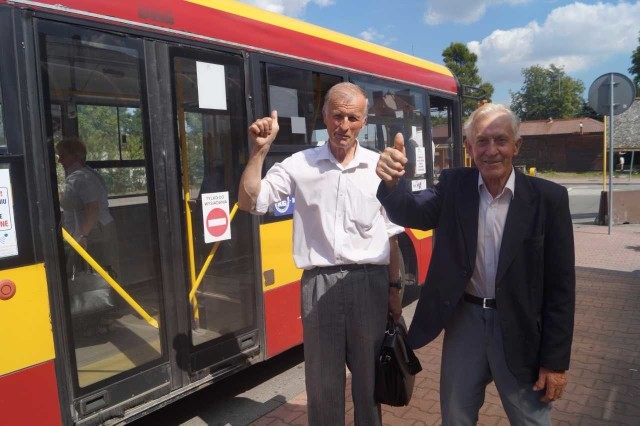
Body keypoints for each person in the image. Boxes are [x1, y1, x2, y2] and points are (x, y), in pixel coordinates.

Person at [375, 103, 575, 425]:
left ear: (516, 145)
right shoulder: (455, 186)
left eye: (501, 140)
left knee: (532, 420)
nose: (491, 150)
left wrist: (555, 362)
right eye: (482, 141)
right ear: (469, 147)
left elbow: (561, 289)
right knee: (455, 416)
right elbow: (413, 211)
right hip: (465, 320)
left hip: (521, 327)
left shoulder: (549, 199)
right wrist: (392, 185)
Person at [238, 82, 405, 425]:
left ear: (364, 121)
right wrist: (258, 152)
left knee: (368, 386)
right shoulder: (300, 164)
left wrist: (394, 289)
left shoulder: (378, 167)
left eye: (353, 117)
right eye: (337, 115)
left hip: (370, 283)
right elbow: (250, 201)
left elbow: (391, 238)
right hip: (319, 284)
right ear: (324, 116)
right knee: (322, 386)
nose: (344, 125)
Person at [57, 138, 119, 331]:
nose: (60, 160)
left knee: (94, 274)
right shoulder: (80, 175)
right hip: (89, 230)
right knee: (91, 273)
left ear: (76, 155)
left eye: (63, 155)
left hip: (92, 232)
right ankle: (95, 316)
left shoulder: (81, 177)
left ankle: (99, 316)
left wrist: (82, 236)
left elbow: (92, 208)